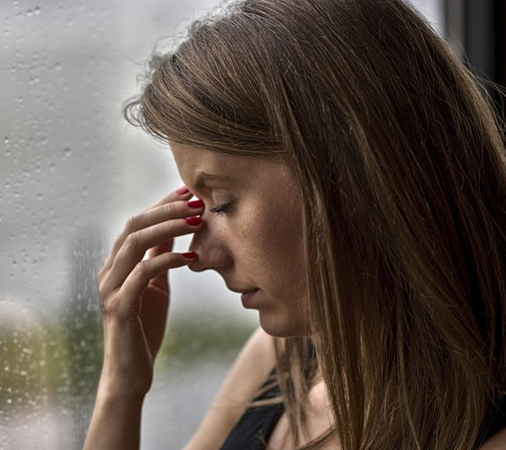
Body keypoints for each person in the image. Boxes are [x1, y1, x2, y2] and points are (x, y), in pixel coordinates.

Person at [82, 0, 506, 449]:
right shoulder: (281, 363)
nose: (201, 257)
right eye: (198, 204)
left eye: (222, 203)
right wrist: (120, 392)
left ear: (353, 174)